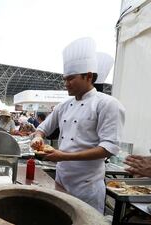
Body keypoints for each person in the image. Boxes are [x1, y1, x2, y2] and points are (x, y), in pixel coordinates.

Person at [30, 37, 125, 213]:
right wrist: (37, 137)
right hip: (61, 179)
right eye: (65, 79)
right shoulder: (63, 106)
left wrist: (63, 156)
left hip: (87, 186)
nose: (66, 84)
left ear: (88, 76)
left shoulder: (107, 104)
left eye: (71, 78)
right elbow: (42, 129)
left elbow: (108, 148)